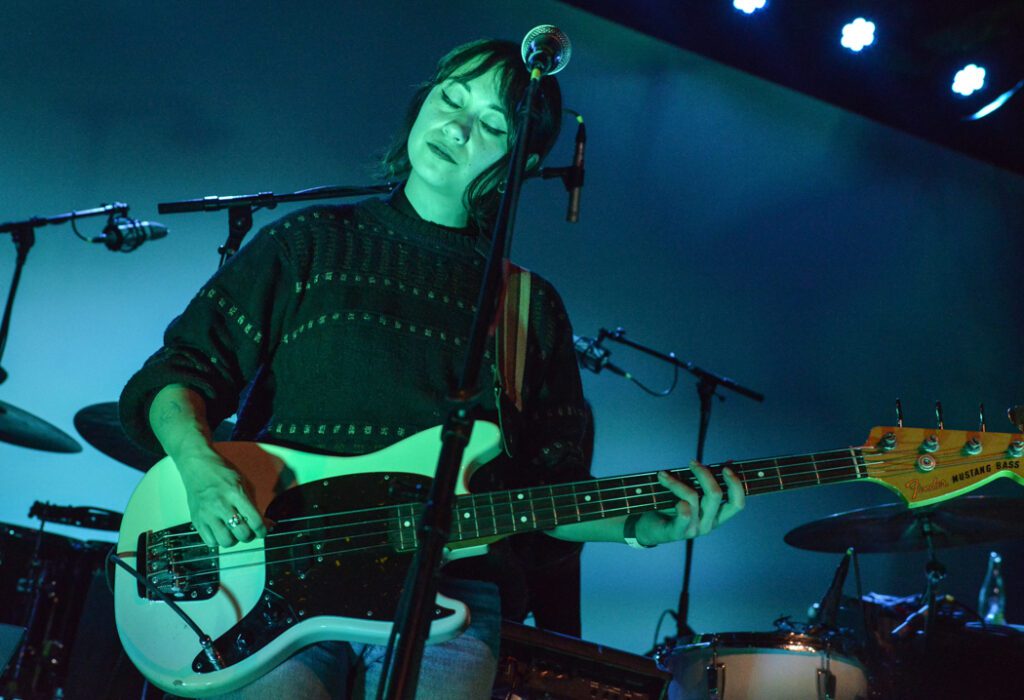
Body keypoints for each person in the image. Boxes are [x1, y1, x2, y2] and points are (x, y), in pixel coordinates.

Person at [119, 37, 746, 699]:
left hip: (453, 601)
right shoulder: (308, 244)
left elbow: (547, 491)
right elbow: (179, 371)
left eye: (492, 124)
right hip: (271, 574)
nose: (457, 126)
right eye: (451, 98)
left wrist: (641, 526)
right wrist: (199, 466)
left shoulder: (530, 307)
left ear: (522, 165)